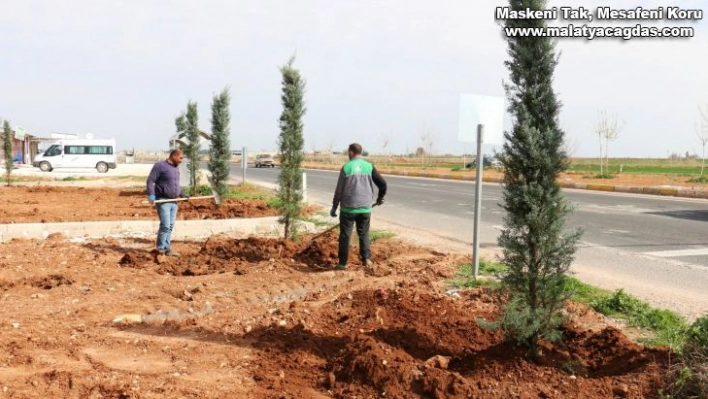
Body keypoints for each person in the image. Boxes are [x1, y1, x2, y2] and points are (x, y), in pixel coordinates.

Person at [330, 143, 387, 270]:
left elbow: (339, 190)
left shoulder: (346, 167)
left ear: (351, 152)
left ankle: (342, 263)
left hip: (348, 209)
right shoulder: (369, 167)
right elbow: (382, 184)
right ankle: (366, 259)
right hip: (365, 208)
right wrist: (380, 197)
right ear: (360, 152)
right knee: (364, 233)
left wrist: (334, 206)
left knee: (345, 235)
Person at [146, 148, 189, 257]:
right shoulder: (160, 166)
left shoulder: (175, 169)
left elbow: (176, 185)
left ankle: (167, 249)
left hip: (174, 201)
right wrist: (151, 194)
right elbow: (150, 180)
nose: (181, 160)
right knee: (165, 225)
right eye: (180, 158)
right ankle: (160, 250)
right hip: (163, 200)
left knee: (170, 226)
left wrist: (183, 194)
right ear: (174, 156)